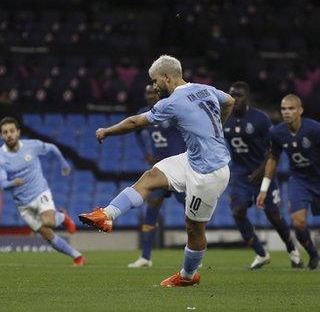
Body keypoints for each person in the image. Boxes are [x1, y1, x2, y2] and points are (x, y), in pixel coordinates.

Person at [79, 55, 234, 287]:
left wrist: (106, 131)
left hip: (209, 173)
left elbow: (134, 123)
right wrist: (217, 130)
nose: (153, 86)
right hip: (191, 159)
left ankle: (187, 276)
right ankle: (107, 215)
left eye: (154, 81)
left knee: (194, 229)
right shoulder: (206, 89)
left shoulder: (172, 102)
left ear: (166, 77)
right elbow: (230, 101)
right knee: (151, 176)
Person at [225, 82, 302, 269]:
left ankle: (293, 250)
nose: (235, 100)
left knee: (274, 215)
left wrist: (260, 172)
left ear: (247, 98)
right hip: (240, 176)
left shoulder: (260, 119)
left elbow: (273, 151)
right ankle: (261, 253)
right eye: (232, 95)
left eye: (239, 96)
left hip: (263, 172)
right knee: (237, 212)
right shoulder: (223, 119)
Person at [0, 117, 84, 266]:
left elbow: (52, 147)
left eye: (12, 131)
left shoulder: (32, 146)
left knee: (48, 221)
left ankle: (62, 217)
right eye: (5, 132)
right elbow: (2, 184)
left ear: (18, 132)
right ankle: (77, 256)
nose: (9, 134)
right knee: (47, 234)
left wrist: (64, 164)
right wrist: (12, 183)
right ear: (1, 136)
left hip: (40, 192)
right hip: (23, 204)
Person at [256, 94, 320, 270]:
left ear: (300, 110)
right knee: (298, 221)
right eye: (283, 109)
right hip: (299, 180)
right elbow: (273, 159)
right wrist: (263, 189)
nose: (286, 112)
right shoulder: (278, 132)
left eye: (291, 108)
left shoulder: (314, 129)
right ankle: (313, 254)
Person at [128, 84, 186, 268]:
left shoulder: (171, 110)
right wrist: (145, 151)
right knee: (151, 208)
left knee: (191, 211)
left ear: (159, 94)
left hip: (178, 169)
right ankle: (145, 257)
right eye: (147, 93)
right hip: (159, 169)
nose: (150, 95)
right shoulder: (144, 113)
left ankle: (194, 254)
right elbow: (136, 131)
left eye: (153, 92)